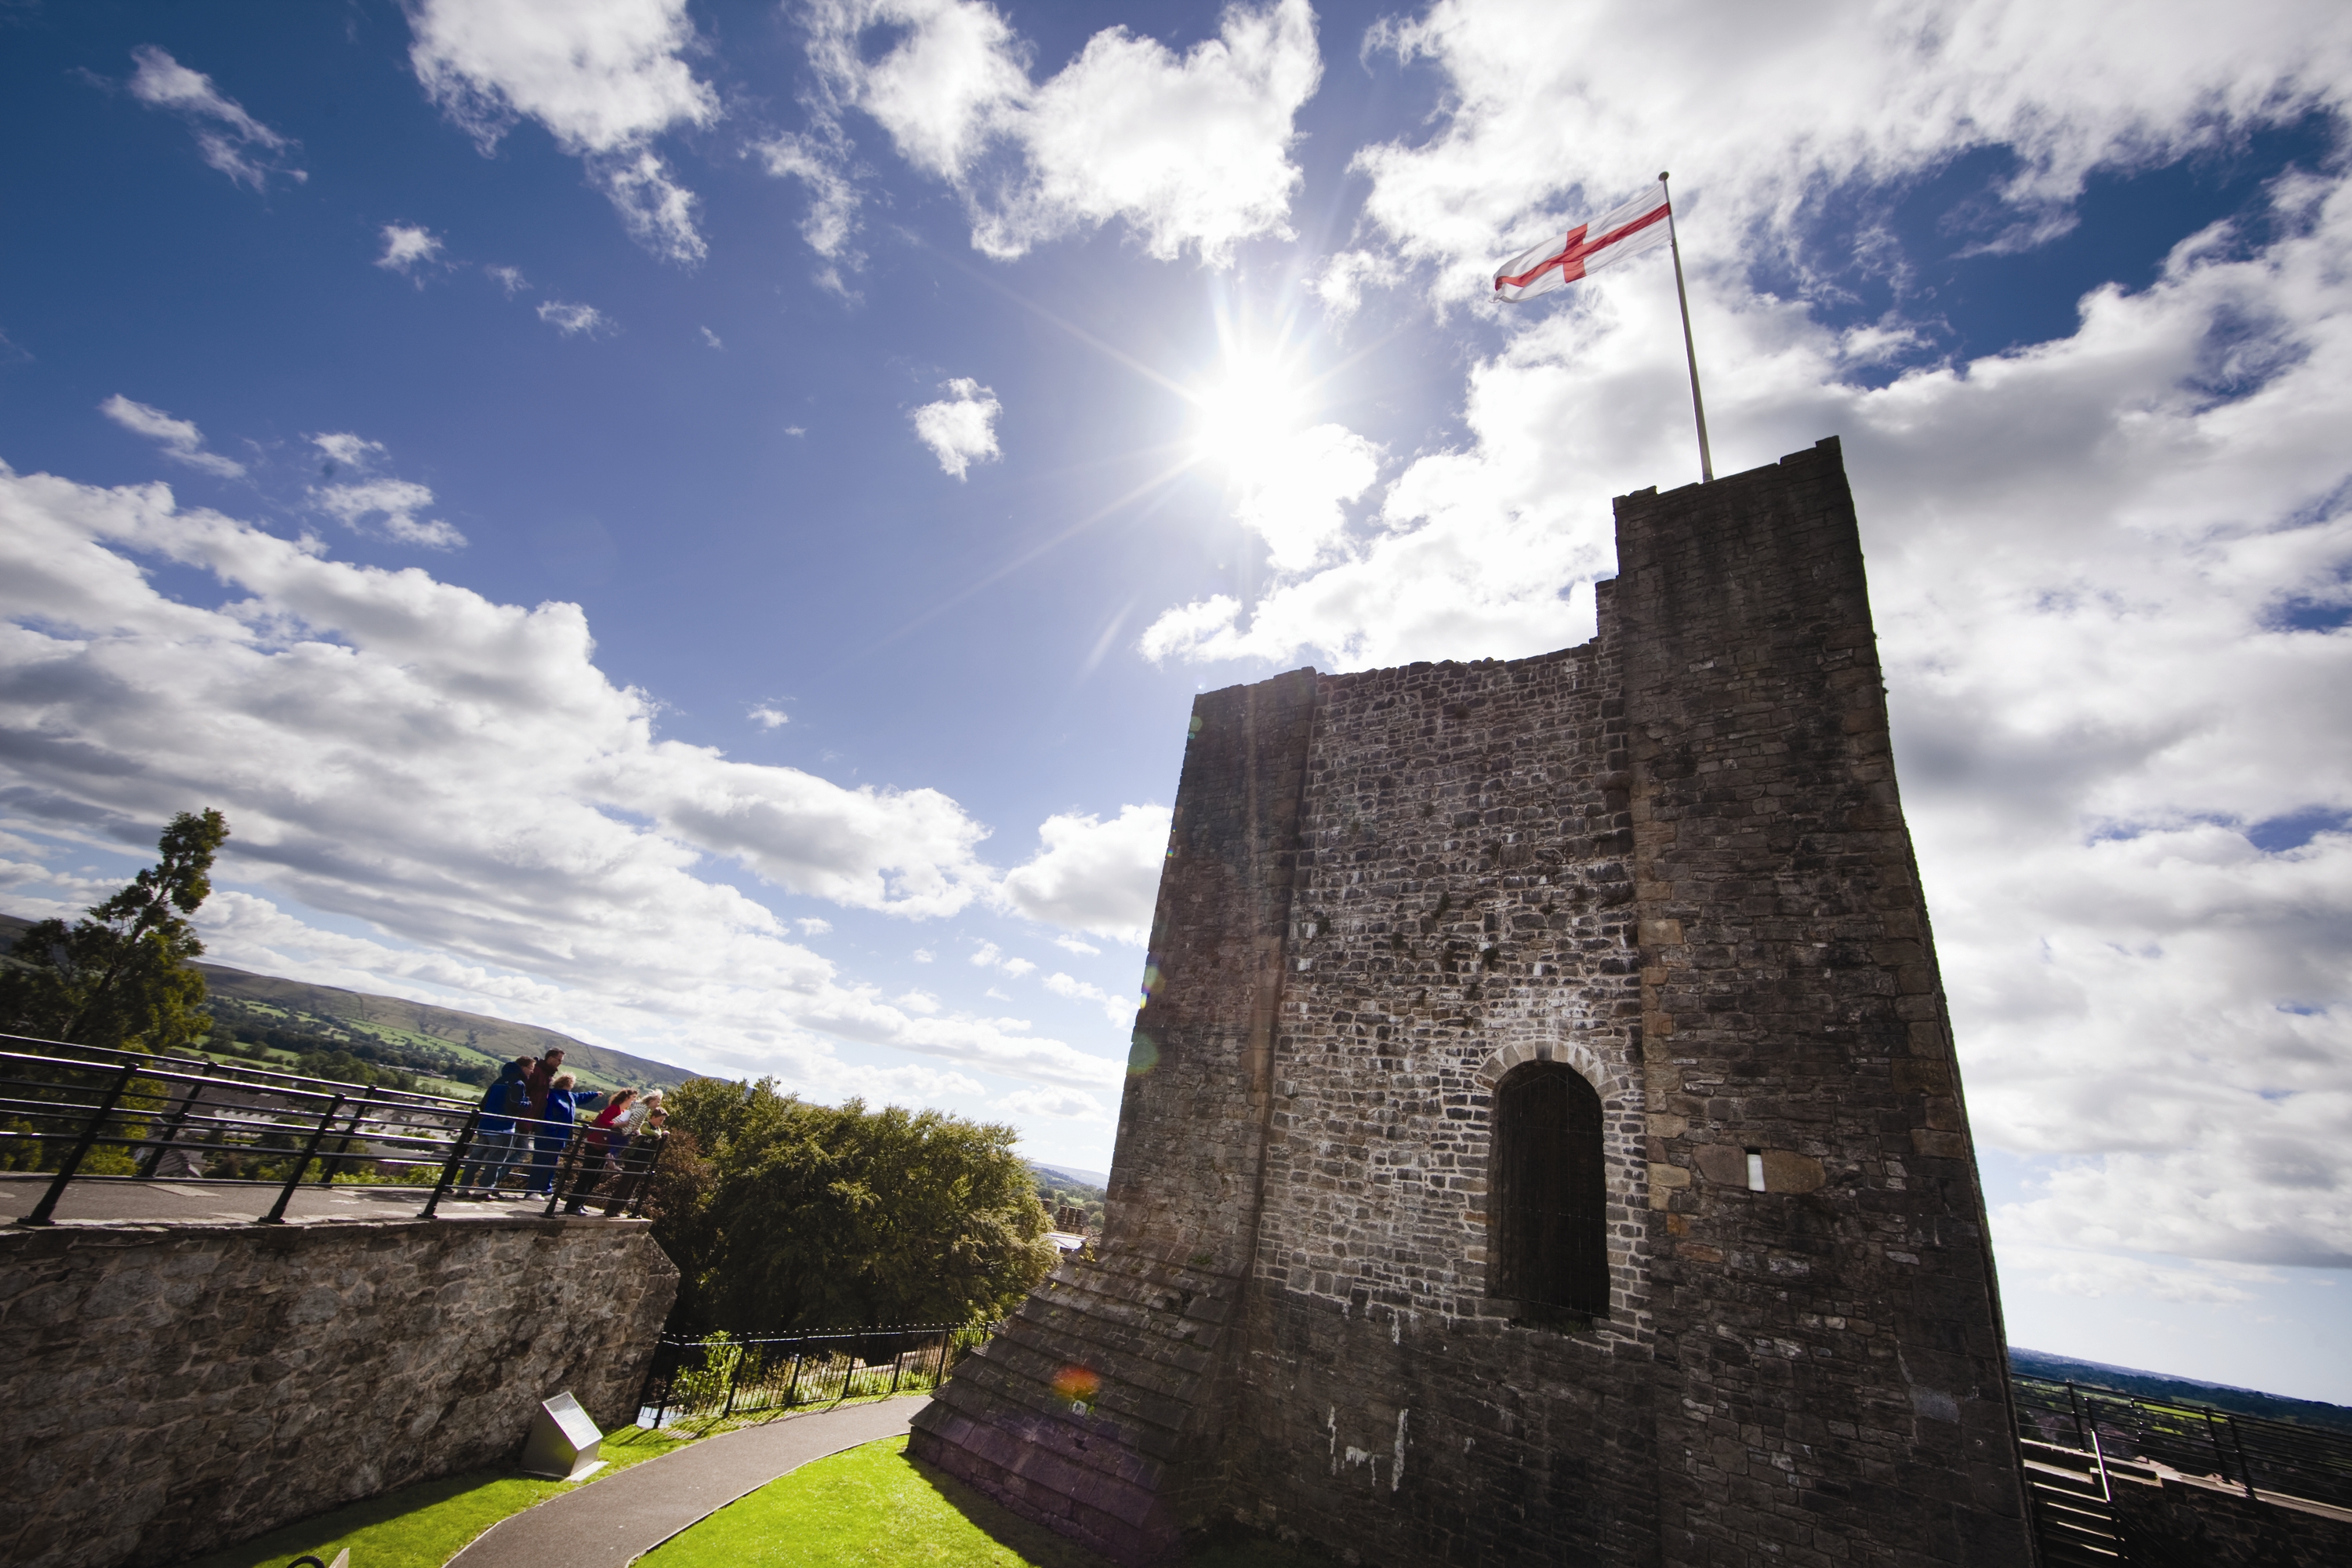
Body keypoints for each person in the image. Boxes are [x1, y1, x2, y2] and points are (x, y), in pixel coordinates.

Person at [458, 1059, 530, 1198]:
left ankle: (462, 1188)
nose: (532, 1071)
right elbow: (515, 1106)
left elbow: (484, 1103)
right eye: (531, 1068)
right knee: (495, 1161)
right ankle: (483, 1190)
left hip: (485, 1125)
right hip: (503, 1127)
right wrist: (527, 1104)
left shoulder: (498, 1081)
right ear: (522, 1068)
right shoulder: (518, 1084)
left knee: (475, 1159)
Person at [561, 1087, 637, 1214]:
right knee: (587, 1175)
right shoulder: (613, 1109)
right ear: (626, 1098)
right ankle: (573, 1206)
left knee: (594, 1176)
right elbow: (604, 1122)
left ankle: (580, 1203)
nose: (634, 1101)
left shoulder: (622, 1111)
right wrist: (620, 1125)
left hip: (603, 1146)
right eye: (633, 1098)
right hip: (596, 1144)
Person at [600, 1105, 669, 1217]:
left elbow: (659, 1136)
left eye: (663, 1120)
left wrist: (663, 1134)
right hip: (634, 1158)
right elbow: (644, 1130)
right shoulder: (647, 1125)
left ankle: (620, 1209)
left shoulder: (658, 1130)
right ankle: (611, 1208)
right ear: (653, 1117)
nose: (661, 1122)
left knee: (633, 1186)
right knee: (625, 1184)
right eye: (660, 1120)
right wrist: (656, 1135)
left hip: (645, 1160)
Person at [526, 1072, 583, 1195]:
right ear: (569, 1083)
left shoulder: (569, 1097)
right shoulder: (552, 1096)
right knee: (541, 1163)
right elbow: (548, 1115)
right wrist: (551, 1132)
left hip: (559, 1137)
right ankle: (532, 1191)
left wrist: (595, 1094)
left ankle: (545, 1190)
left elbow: (582, 1097)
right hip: (548, 1136)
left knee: (551, 1165)